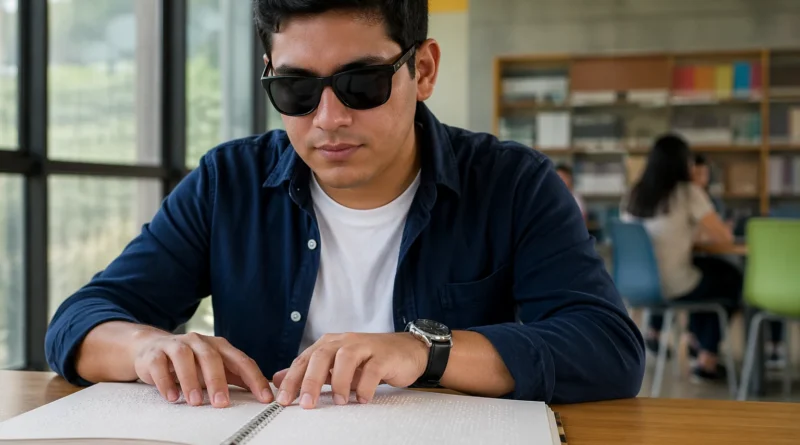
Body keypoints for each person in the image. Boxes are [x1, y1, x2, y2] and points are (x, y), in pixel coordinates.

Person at [45, 0, 644, 409]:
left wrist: (425, 351)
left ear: (424, 69)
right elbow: (82, 319)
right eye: (296, 90)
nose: (329, 118)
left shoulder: (514, 183)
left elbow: (606, 348)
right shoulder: (227, 181)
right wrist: (148, 346)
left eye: (362, 83)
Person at [621, 134, 742, 382]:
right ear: (681, 164)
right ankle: (706, 358)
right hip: (674, 284)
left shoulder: (633, 193)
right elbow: (724, 238)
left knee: (709, 274)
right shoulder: (687, 192)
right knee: (731, 278)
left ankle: (697, 340)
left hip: (634, 286)